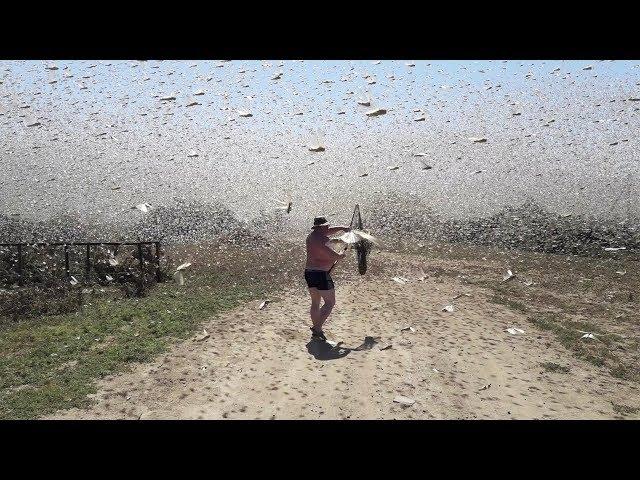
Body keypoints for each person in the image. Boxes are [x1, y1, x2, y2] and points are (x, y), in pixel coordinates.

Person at [304, 216, 351, 340]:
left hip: (309, 272)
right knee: (330, 303)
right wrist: (341, 255)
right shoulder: (321, 240)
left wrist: (343, 228)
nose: (328, 228)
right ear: (320, 227)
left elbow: (330, 231)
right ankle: (317, 329)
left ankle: (316, 328)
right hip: (320, 274)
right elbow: (334, 256)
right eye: (326, 226)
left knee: (315, 302)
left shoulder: (313, 235)